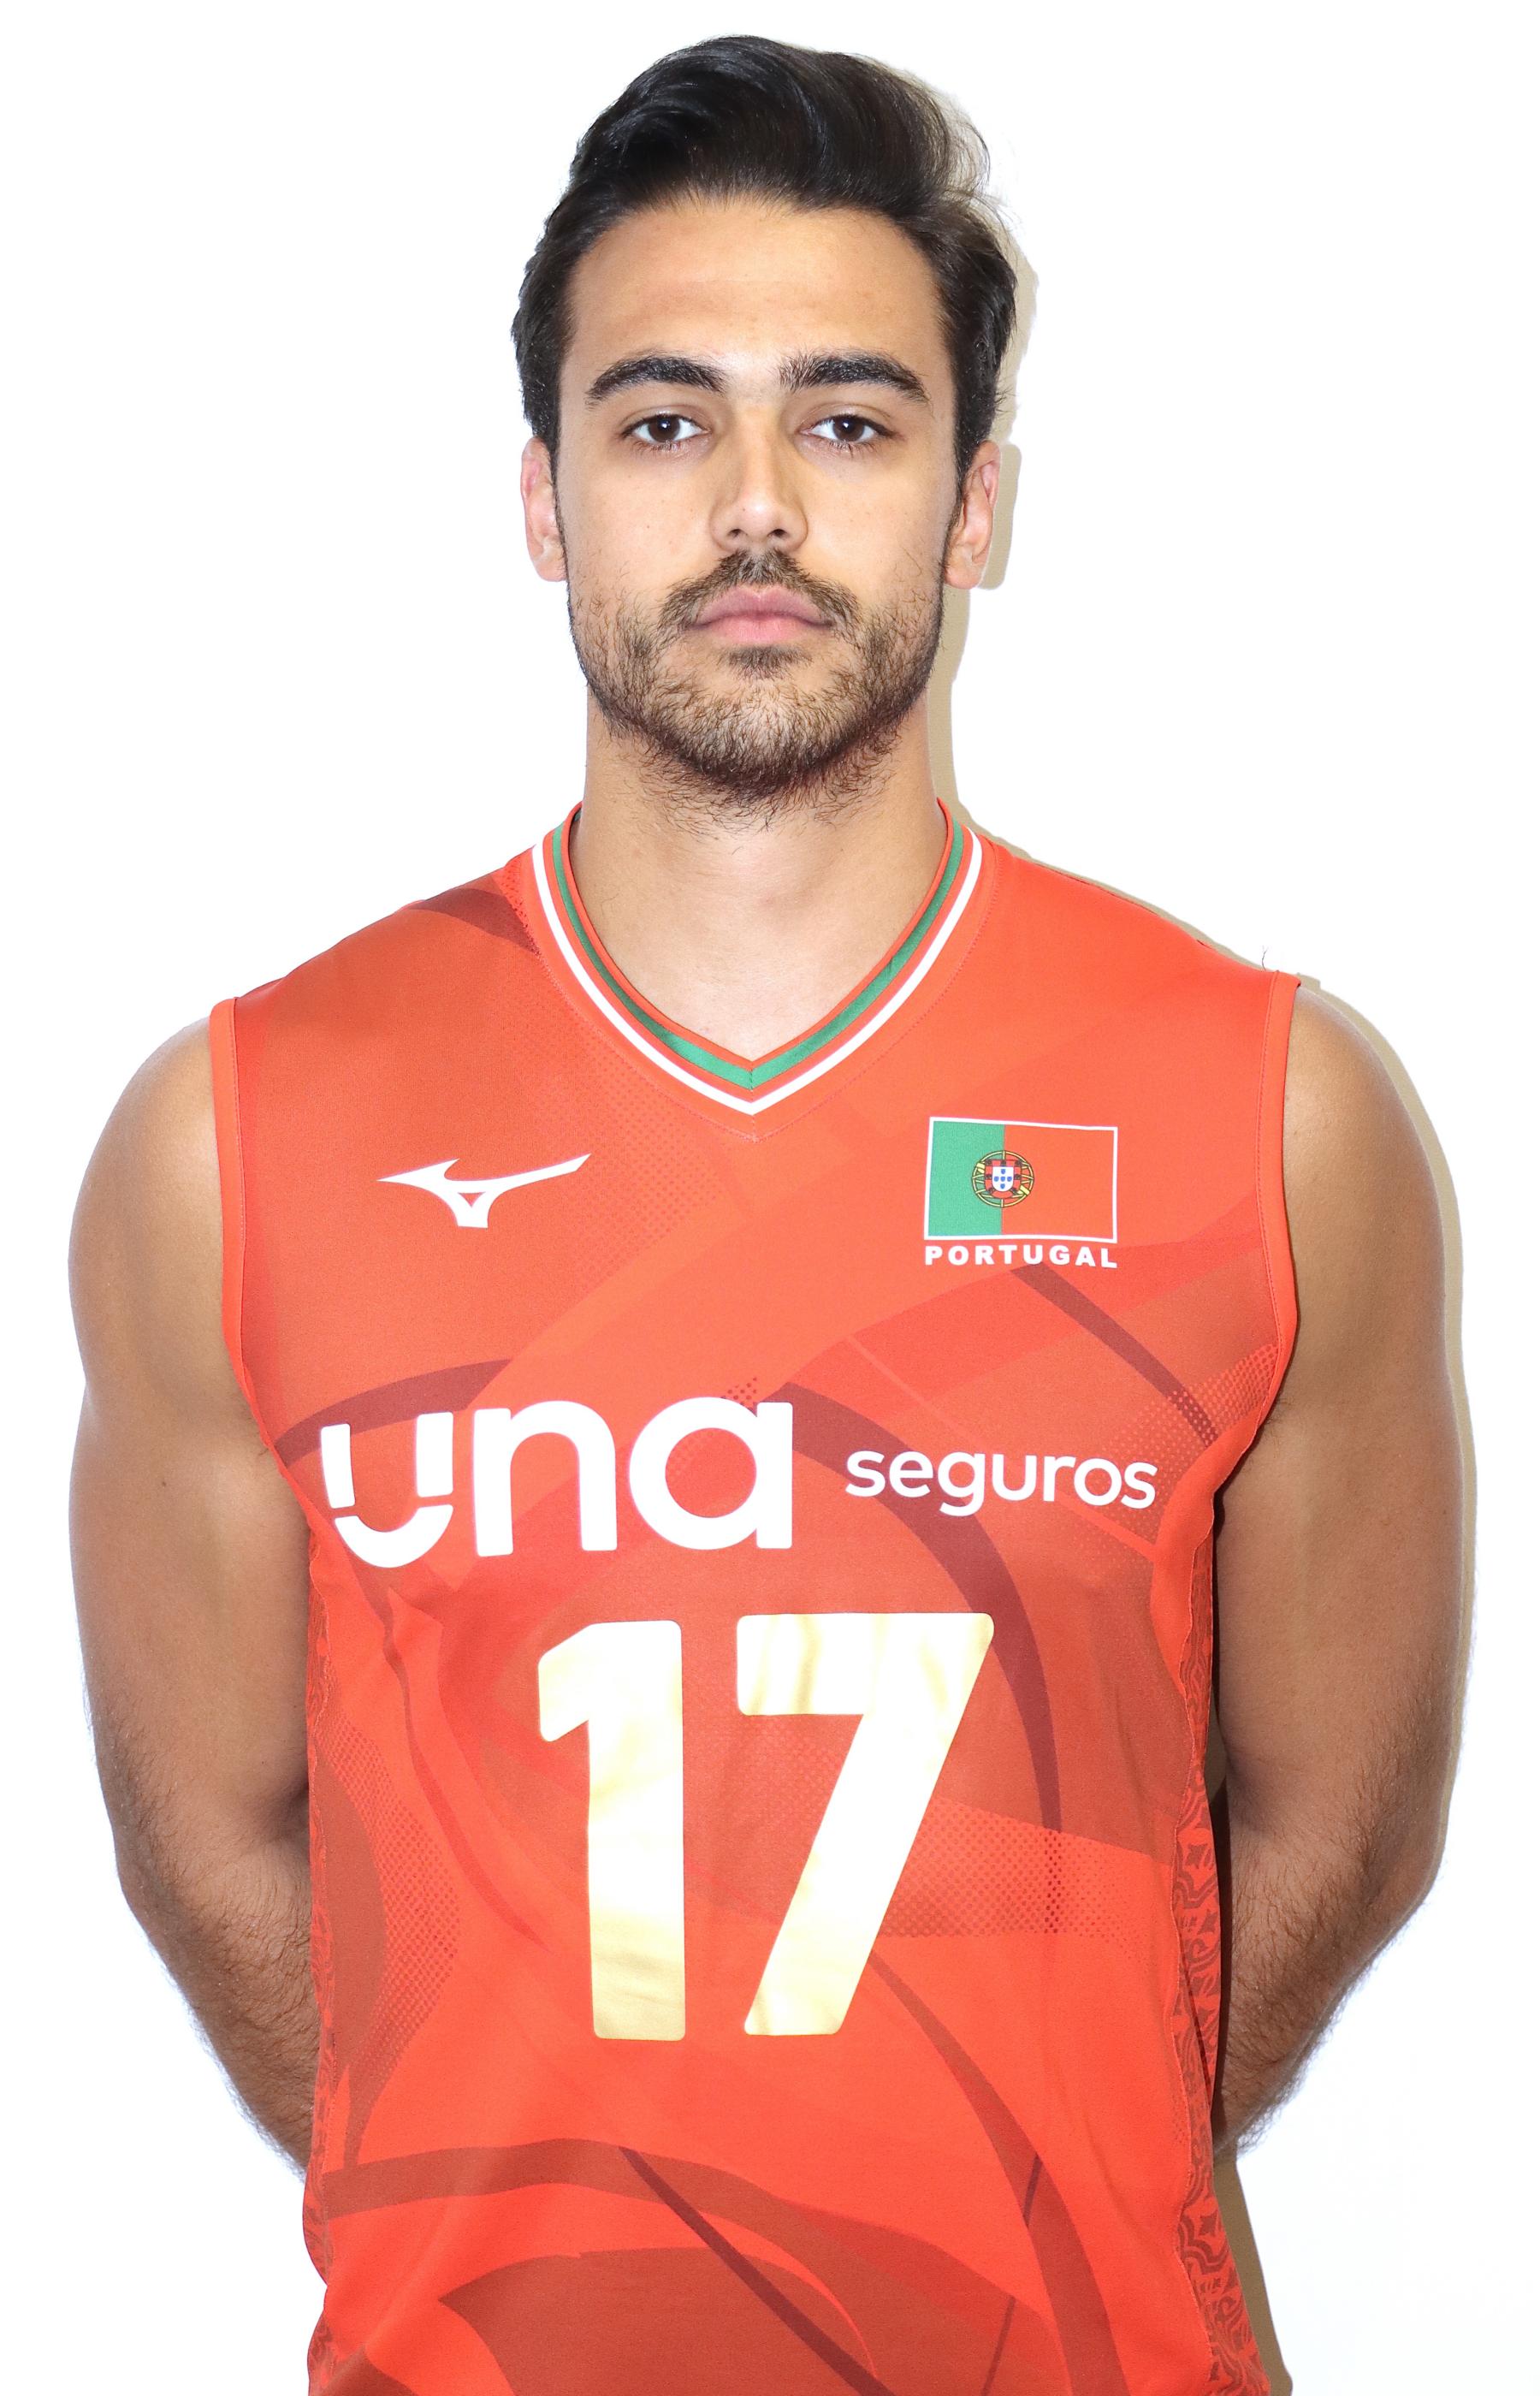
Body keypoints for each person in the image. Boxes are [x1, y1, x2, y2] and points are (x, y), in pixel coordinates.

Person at [67, 34, 1464, 2396]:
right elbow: (210, 1842)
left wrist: (1024, 2187)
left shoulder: (1275, 1113)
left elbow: (1343, 1820)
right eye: (661, 422)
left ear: (975, 500)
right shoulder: (237, 1133)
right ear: (543, 499)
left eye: (848, 421)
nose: (752, 506)